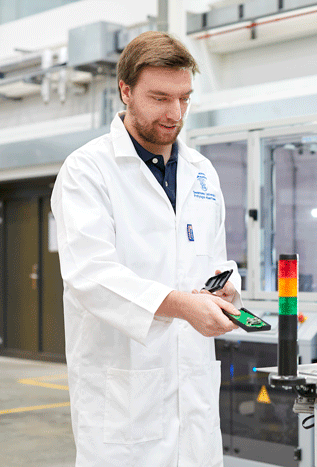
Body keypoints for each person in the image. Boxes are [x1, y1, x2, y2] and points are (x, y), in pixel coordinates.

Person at [51, 31, 242, 467]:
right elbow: (90, 276)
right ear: (125, 91)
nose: (174, 113)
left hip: (193, 396)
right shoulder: (87, 171)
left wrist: (225, 292)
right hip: (124, 406)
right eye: (159, 98)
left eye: (184, 98)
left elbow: (212, 259)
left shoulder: (202, 173)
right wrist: (181, 306)